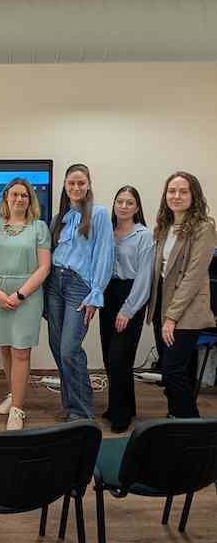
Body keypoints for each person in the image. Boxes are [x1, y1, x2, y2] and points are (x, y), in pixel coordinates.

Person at [0, 178, 51, 430]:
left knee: (21, 351)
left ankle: (18, 410)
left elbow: (44, 268)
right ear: (6, 197)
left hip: (27, 297)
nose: (19, 199)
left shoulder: (39, 228)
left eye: (24, 195)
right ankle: (13, 394)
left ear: (30, 200)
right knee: (6, 349)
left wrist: (19, 295)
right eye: (15, 194)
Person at [46, 164, 114, 421]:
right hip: (54, 284)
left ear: (88, 185)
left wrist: (96, 294)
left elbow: (104, 254)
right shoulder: (58, 219)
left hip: (79, 286)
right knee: (57, 347)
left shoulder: (99, 214)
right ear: (65, 186)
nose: (76, 187)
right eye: (71, 183)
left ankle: (83, 414)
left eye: (81, 183)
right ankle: (70, 406)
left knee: (69, 349)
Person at [147, 171, 216, 418]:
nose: (176, 196)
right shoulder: (164, 228)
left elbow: (193, 277)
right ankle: (176, 419)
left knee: (172, 370)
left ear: (193, 195)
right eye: (171, 191)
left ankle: (191, 424)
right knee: (175, 373)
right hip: (162, 307)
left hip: (187, 310)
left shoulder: (203, 228)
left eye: (183, 191)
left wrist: (172, 317)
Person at [99, 186, 154, 433]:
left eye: (129, 202)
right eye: (119, 201)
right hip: (108, 295)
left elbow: (144, 277)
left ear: (137, 207)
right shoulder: (107, 232)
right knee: (109, 357)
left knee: (119, 358)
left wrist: (128, 310)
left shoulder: (144, 235)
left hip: (131, 296)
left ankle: (121, 417)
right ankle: (122, 407)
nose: (123, 206)